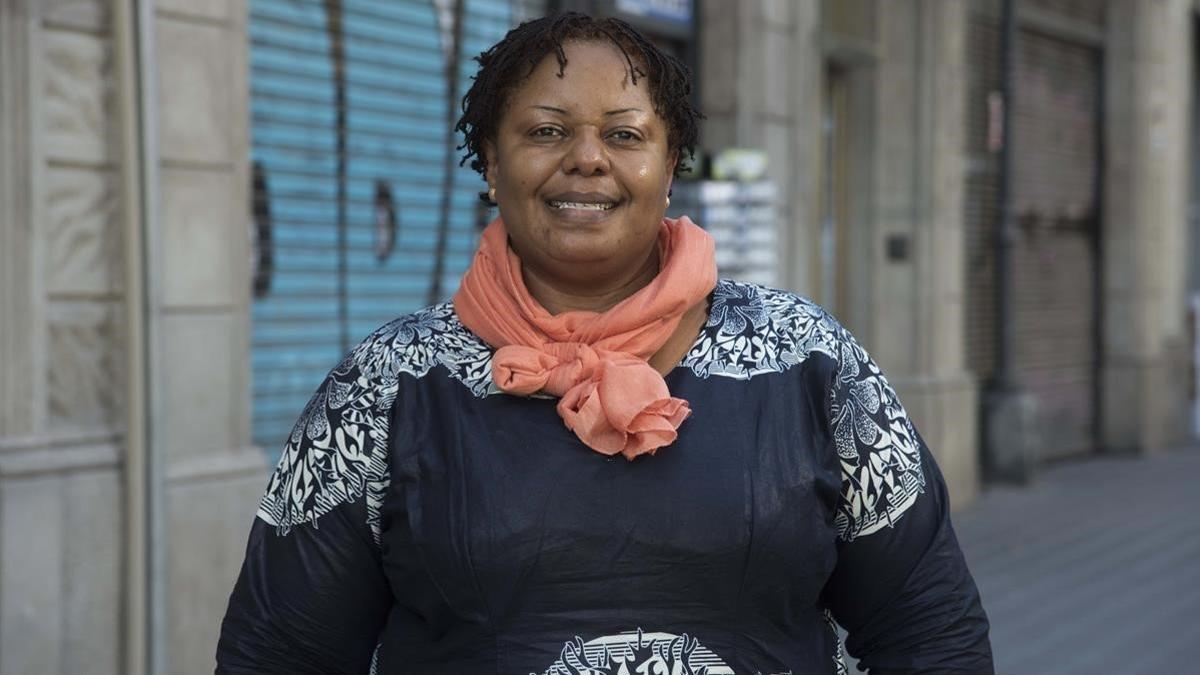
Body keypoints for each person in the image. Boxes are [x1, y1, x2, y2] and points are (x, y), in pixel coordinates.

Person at [216, 12, 993, 675]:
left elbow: (931, 627)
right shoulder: (389, 384)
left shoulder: (806, 361)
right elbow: (281, 649)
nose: (586, 158)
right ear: (490, 161)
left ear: (670, 164)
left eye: (624, 134)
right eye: (546, 131)